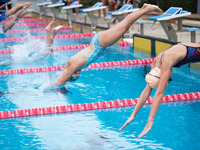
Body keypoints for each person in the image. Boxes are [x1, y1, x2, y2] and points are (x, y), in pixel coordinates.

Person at [49, 4, 162, 87]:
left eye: (77, 75)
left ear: (74, 73)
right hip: (97, 41)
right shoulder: (71, 62)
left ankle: (147, 9)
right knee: (124, 24)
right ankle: (144, 8)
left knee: (126, 24)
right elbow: (62, 75)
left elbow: (61, 81)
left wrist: (47, 88)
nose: (79, 73)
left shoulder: (76, 64)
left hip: (100, 43)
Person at [119, 43, 200, 138]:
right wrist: (133, 115)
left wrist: (150, 120)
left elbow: (159, 93)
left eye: (168, 79)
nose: (171, 77)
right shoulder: (156, 63)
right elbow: (146, 91)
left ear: (162, 76)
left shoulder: (165, 63)